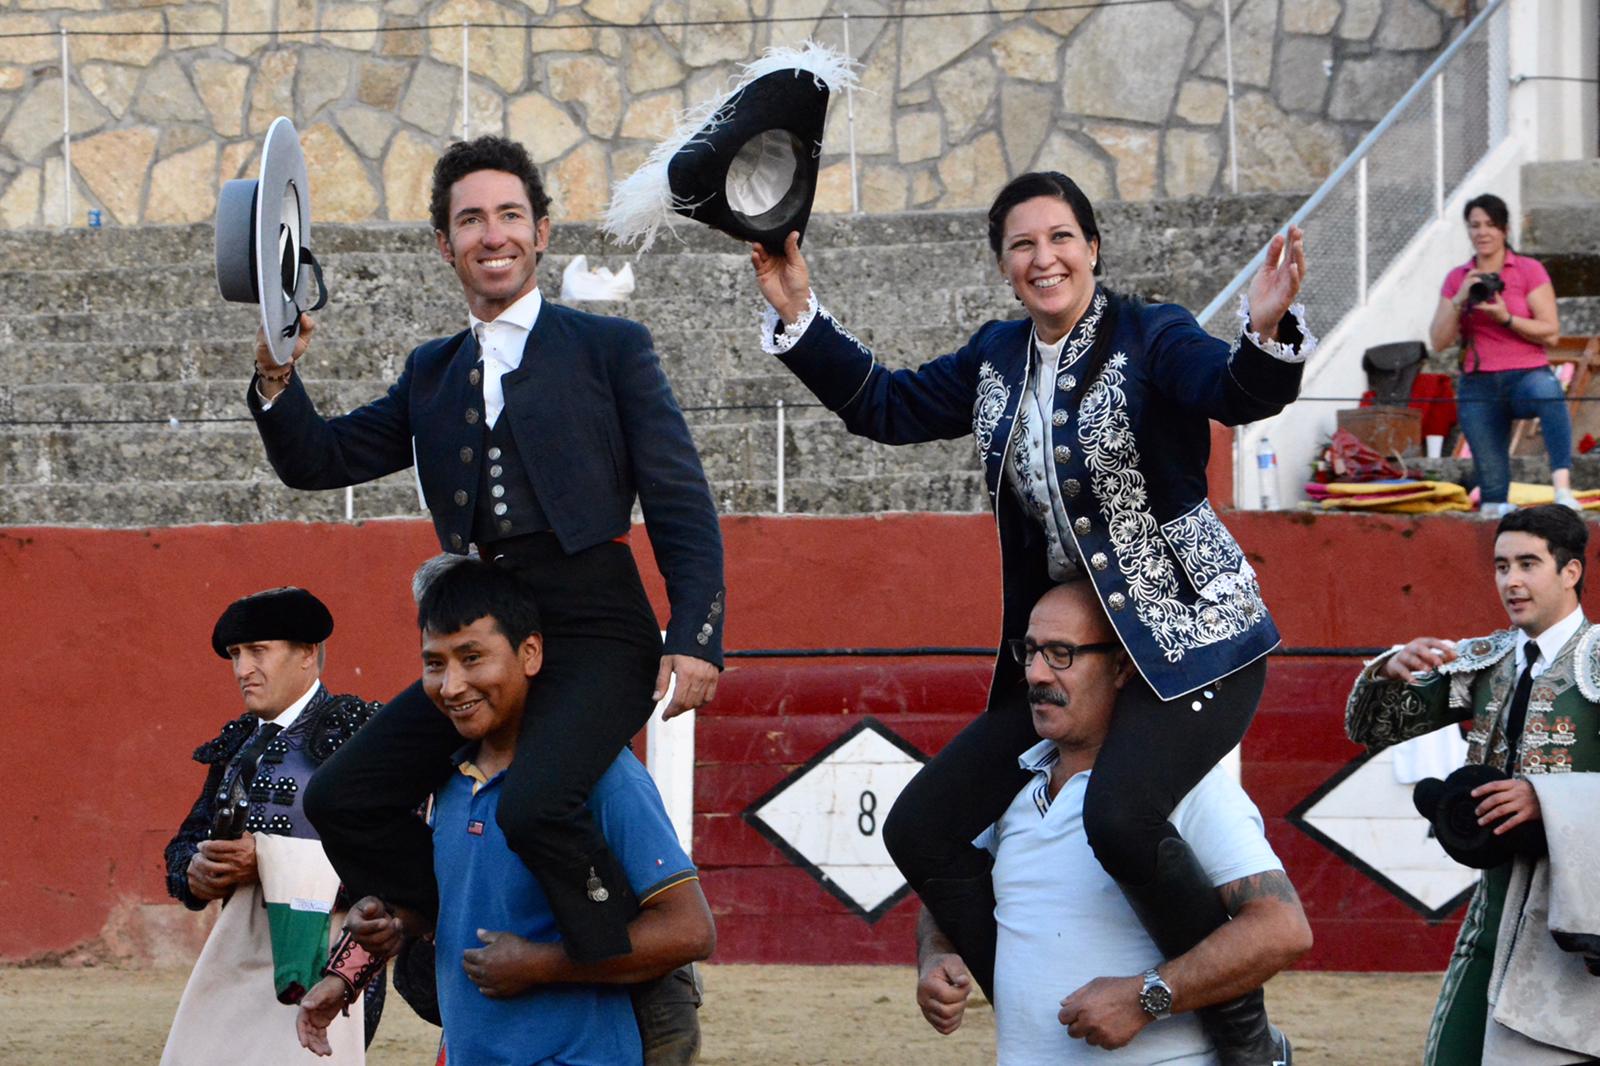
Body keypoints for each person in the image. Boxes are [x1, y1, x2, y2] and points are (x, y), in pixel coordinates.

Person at [749, 170, 1310, 1064]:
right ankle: (1031, 999)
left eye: (1059, 238)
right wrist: (801, 315)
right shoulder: (995, 358)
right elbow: (886, 407)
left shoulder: (1151, 333)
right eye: (1022, 244)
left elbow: (1233, 391)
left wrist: (1266, 330)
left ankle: (1245, 1043)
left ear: (1092, 248)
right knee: (922, 828)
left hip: (1195, 644)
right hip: (1066, 656)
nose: (1043, 257)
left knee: (1120, 818)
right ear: (1005, 265)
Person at [246, 135, 725, 968]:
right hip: (480, 640)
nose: (491, 235)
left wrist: (695, 632)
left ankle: (611, 965)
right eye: (470, 220)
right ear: (445, 245)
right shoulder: (432, 371)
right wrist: (279, 380)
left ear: (542, 233)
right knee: (344, 796)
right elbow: (318, 460)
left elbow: (679, 496)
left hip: (596, 630)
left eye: (510, 215)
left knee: (536, 804)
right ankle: (445, 934)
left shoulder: (610, 349)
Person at [295, 556, 716, 1065]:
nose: (451, 686)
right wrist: (366, 952)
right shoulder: (447, 777)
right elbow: (451, 908)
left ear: (531, 652)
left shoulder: (606, 779)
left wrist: (542, 965)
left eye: (473, 657)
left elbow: (690, 930)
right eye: (434, 664)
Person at [917, 582, 1311, 1064]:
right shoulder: (1008, 787)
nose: (1037, 674)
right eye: (1031, 651)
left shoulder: (1183, 786)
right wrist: (936, 953)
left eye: (1062, 653)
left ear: (1121, 666)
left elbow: (1282, 929)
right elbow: (954, 890)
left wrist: (1146, 998)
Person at [1345, 504, 1600, 1065]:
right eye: (1501, 565)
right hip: (1493, 908)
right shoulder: (1488, 661)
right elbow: (1373, 728)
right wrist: (1388, 669)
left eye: (1528, 564)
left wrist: (1549, 800)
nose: (1511, 581)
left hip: (1581, 922)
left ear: (1570, 572)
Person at [161, 587, 383, 1065]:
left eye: (258, 652)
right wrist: (195, 873)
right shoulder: (240, 741)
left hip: (328, 954)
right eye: (236, 655)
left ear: (306, 654)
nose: (242, 670)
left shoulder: (358, 731)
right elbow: (184, 845)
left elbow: (390, 863)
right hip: (239, 951)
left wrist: (267, 861)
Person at [1428, 193, 1568, 516]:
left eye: (1490, 224)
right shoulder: (1457, 277)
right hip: (1479, 381)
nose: (1482, 232)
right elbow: (1438, 341)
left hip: (1528, 375)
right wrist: (1461, 296)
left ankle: (1563, 488)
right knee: (1491, 496)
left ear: (1504, 230)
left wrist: (1506, 318)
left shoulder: (1528, 269)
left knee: (1549, 392)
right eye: (1474, 225)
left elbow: (1551, 331)